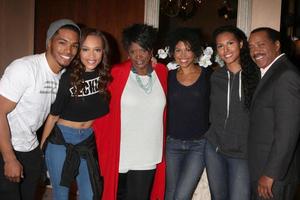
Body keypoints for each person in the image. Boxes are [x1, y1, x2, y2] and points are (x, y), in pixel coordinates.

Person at [0, 19, 80, 200]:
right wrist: (9, 158)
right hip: (6, 148)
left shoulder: (64, 76)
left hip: (31, 150)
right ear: (49, 42)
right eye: (62, 43)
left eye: (74, 46)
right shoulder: (25, 68)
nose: (69, 51)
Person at [93, 23, 167, 200]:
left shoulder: (162, 72)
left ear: (151, 51)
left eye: (143, 50)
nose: (138, 56)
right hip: (119, 151)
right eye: (133, 51)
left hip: (148, 153)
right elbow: (100, 110)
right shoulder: (117, 73)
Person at [40, 27, 111, 200]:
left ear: (103, 52)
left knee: (89, 194)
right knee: (61, 194)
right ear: (78, 51)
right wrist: (41, 149)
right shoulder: (68, 77)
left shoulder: (107, 76)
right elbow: (53, 115)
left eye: (97, 50)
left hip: (86, 139)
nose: (91, 56)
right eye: (85, 49)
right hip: (61, 139)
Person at [204, 25, 260, 200]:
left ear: (241, 44)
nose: (225, 50)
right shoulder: (216, 76)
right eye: (220, 46)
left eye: (230, 43)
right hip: (214, 149)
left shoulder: (257, 75)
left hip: (243, 154)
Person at [248, 27, 300, 200]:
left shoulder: (286, 75)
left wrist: (270, 174)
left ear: (276, 45)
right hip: (263, 167)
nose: (255, 51)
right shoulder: (272, 71)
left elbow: (288, 132)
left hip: (275, 177)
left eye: (261, 44)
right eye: (251, 47)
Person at [164, 27, 211, 200]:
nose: (183, 55)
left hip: (198, 145)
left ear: (196, 52)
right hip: (172, 144)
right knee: (170, 193)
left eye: (188, 49)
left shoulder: (208, 75)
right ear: (172, 52)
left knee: (182, 195)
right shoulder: (166, 76)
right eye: (178, 50)